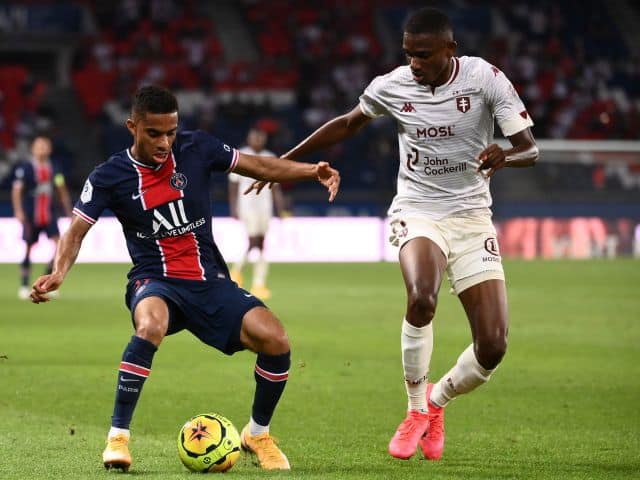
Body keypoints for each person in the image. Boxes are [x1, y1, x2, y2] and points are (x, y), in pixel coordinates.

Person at [248, 7, 538, 461]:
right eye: (408, 55)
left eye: (424, 55)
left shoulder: (485, 79)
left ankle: (437, 403)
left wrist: (506, 154)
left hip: (471, 218)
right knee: (422, 296)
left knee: (493, 346)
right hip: (416, 209)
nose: (414, 64)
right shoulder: (392, 85)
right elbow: (346, 123)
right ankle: (414, 409)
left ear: (450, 50)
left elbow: (529, 148)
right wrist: (283, 164)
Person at [29, 85, 340, 472]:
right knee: (150, 325)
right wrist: (58, 272)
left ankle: (257, 433)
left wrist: (313, 170)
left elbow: (259, 166)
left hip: (208, 281)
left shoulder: (197, 148)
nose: (165, 142)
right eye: (154, 133)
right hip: (154, 280)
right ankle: (118, 438)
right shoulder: (110, 175)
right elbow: (76, 230)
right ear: (132, 127)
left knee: (275, 340)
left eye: (171, 132)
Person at [11, 135, 73, 299]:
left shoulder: (55, 167)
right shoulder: (25, 168)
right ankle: (24, 284)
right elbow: (17, 191)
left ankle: (46, 282)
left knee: (59, 246)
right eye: (39, 146)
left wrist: (68, 210)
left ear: (50, 149)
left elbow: (61, 188)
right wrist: (18, 211)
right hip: (31, 213)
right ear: (33, 148)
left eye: (45, 145)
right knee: (28, 248)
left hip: (50, 213)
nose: (42, 149)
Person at [228, 126, 286, 300]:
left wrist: (280, 208)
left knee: (261, 243)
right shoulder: (241, 155)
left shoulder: (271, 157)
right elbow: (233, 184)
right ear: (249, 138)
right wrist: (234, 207)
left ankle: (247, 277)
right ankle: (251, 279)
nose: (258, 140)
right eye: (255, 137)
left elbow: (275, 186)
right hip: (247, 205)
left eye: (260, 138)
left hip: (264, 206)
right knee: (254, 241)